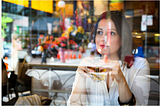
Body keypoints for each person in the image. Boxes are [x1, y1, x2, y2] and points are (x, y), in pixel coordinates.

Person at [68, 11, 150, 106]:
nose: (103, 38)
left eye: (111, 33)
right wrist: (81, 78)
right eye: (99, 32)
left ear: (123, 38)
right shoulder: (87, 64)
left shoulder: (139, 65)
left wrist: (121, 81)